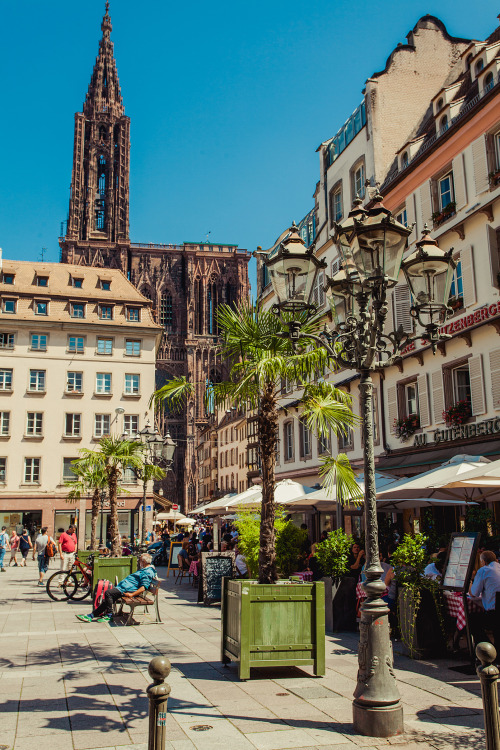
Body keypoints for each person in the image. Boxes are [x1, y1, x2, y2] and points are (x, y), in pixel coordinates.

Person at [77, 553, 159, 622]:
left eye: (140, 560)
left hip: (128, 590)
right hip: (125, 587)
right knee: (108, 598)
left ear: (144, 561)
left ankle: (109, 615)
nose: (139, 562)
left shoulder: (147, 572)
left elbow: (144, 587)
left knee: (108, 593)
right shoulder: (145, 570)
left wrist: (131, 595)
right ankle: (91, 615)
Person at [468, 550, 500, 648]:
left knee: (471, 620)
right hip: (496, 609)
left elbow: (474, 593)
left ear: (484, 562)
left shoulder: (484, 570)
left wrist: (469, 585)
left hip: (494, 612)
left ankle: (488, 649)